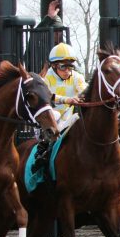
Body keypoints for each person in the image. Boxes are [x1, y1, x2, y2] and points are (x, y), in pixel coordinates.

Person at [31, 42, 87, 170]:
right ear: (54, 65)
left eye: (70, 67)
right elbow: (48, 96)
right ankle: (40, 157)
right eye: (63, 67)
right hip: (47, 121)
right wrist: (67, 100)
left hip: (67, 121)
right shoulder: (46, 78)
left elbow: (85, 91)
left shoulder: (77, 77)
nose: (67, 71)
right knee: (55, 114)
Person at [24, 0, 67, 74]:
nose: (58, 34)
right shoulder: (39, 45)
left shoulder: (65, 46)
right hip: (40, 80)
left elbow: (74, 64)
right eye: (55, 31)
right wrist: (48, 18)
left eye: (60, 31)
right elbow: (34, 35)